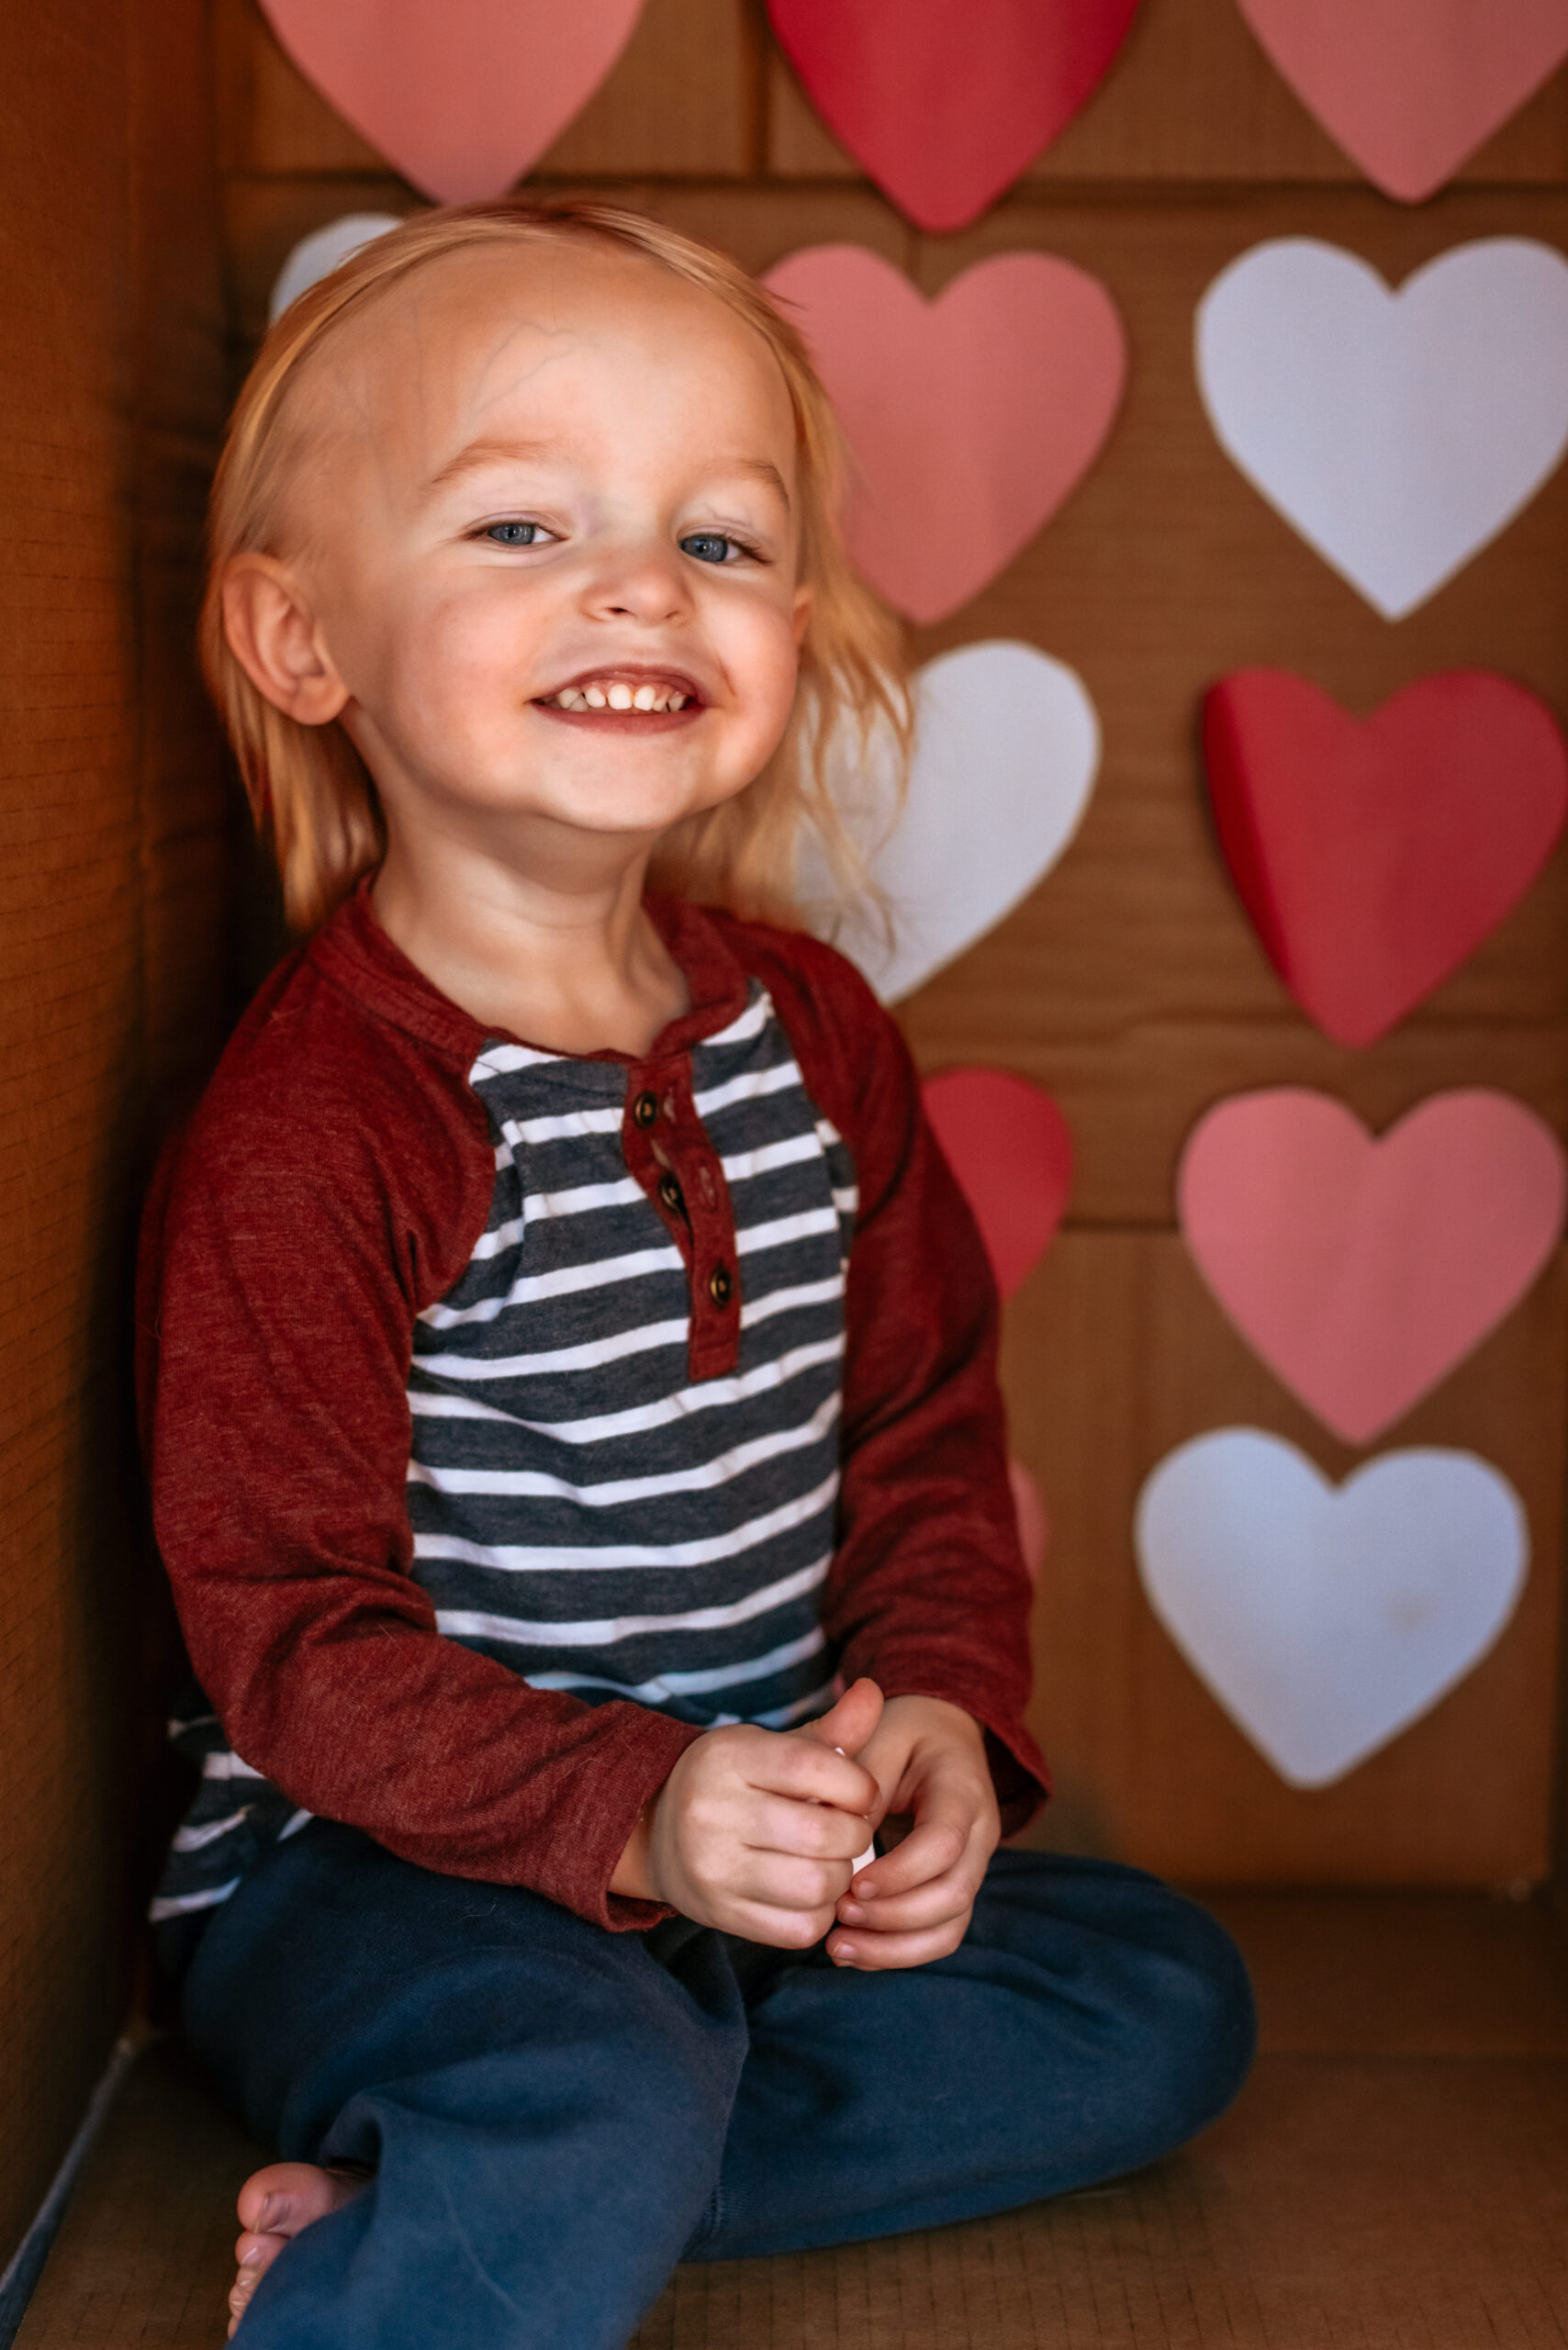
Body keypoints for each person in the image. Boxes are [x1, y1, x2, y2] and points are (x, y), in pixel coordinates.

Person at [137, 198, 1254, 2350]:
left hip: (739, 1841)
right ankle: (516, 2168)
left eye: (716, 543)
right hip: (372, 1871)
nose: (640, 583)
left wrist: (931, 1708)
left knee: (1158, 1996)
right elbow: (282, 1627)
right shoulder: (322, 1118)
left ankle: (486, 2189)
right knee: (580, 2067)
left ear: (793, 624)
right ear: (303, 639)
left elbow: (919, 1428)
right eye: (522, 528)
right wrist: (623, 1806)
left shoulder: (814, 1035)